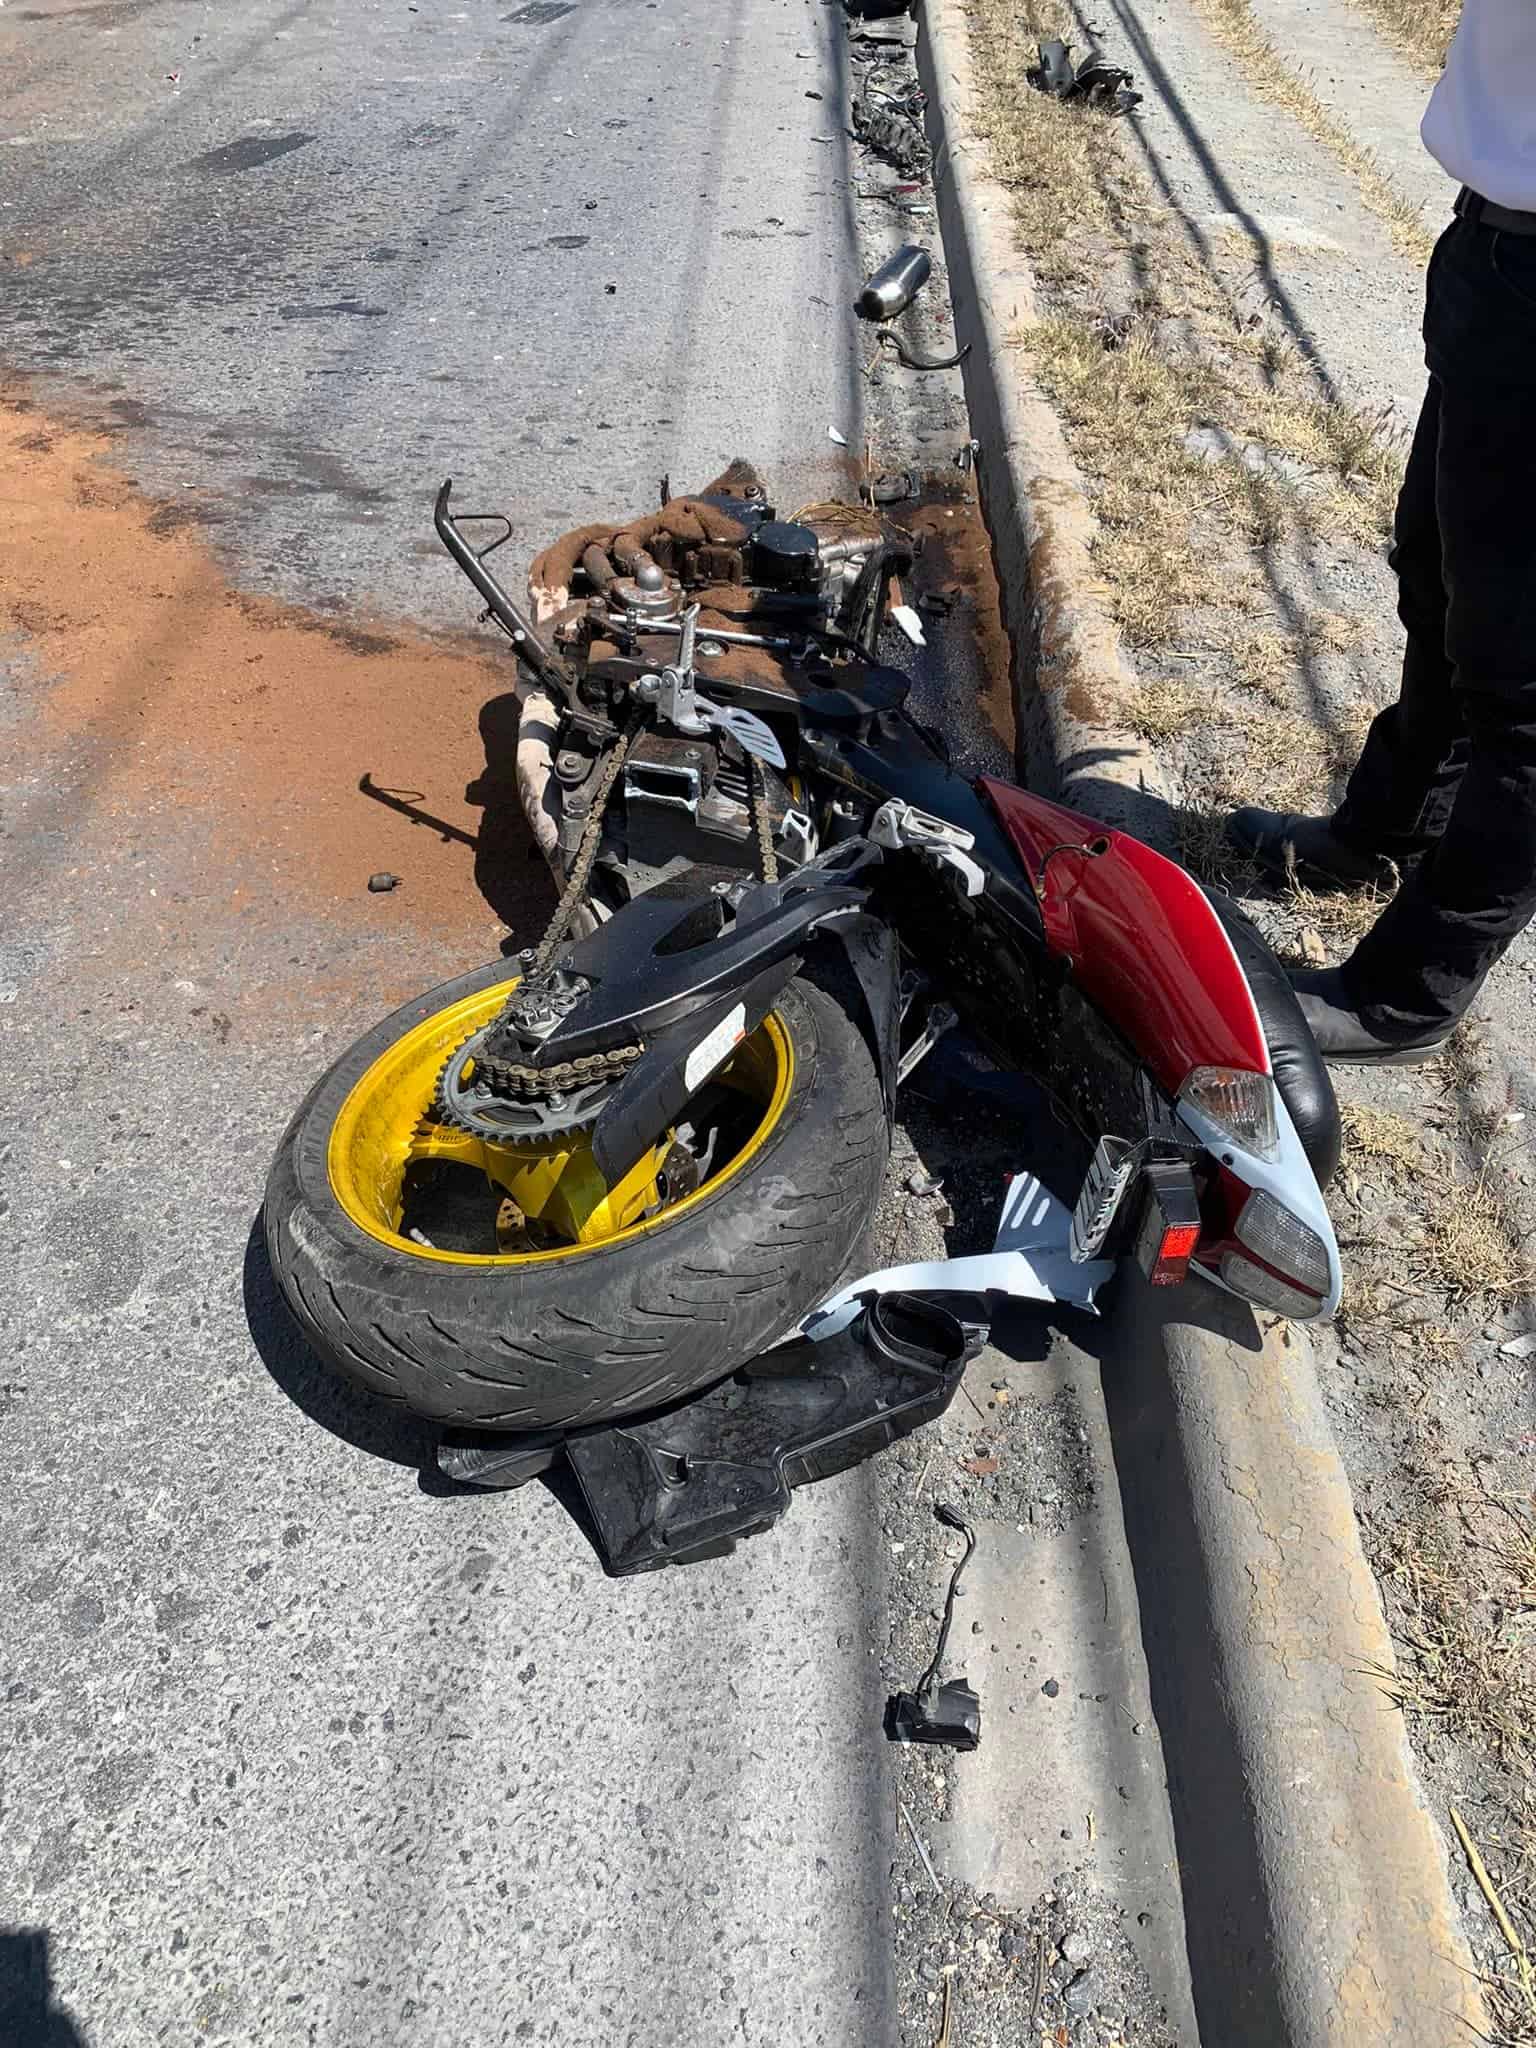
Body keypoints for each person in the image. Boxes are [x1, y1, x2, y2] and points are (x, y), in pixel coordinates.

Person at [1227, 0, 1536, 1064]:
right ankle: (1387, 825)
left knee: (1525, 692)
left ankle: (1409, 990)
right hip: (1494, 251)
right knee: (1437, 582)